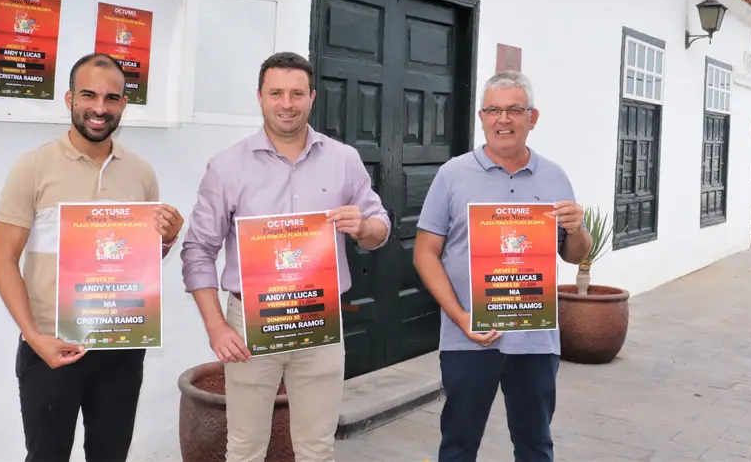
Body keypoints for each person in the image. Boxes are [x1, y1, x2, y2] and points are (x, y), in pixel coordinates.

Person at [180, 51, 391, 462]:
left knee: (317, 446)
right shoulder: (226, 167)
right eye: (276, 92)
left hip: (320, 318)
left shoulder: (343, 159)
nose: (287, 103)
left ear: (312, 97)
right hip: (250, 324)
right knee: (244, 447)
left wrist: (365, 228)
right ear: (259, 96)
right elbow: (197, 250)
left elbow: (379, 226)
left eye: (297, 93)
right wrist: (216, 326)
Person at [0, 52, 185, 462]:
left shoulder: (141, 173)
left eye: (112, 98)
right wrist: (34, 336)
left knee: (110, 455)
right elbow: (4, 260)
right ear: (69, 99)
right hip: (51, 347)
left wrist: (165, 241)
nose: (100, 108)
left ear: (124, 105)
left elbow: (138, 259)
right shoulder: (33, 168)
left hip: (122, 347)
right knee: (47, 456)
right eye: (89, 95)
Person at [412, 71, 591, 462]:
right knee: (458, 445)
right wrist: (460, 317)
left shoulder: (555, 176)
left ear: (533, 117)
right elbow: (425, 252)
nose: (503, 119)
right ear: (481, 116)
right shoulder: (452, 175)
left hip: (535, 341)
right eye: (494, 109)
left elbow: (576, 253)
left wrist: (577, 228)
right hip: (469, 338)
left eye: (514, 110)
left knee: (535, 446)